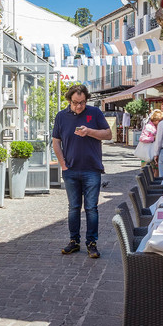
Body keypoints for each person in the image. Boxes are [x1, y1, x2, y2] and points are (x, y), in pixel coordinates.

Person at [53, 83, 112, 258]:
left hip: (92, 169)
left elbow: (108, 134)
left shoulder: (94, 113)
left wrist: (90, 132)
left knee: (92, 208)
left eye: (82, 102)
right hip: (70, 170)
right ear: (69, 100)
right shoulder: (61, 116)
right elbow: (56, 142)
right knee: (73, 208)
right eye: (75, 102)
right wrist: (63, 164)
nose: (79, 106)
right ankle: (74, 241)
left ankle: (92, 244)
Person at [135, 107, 163, 172]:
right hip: (147, 152)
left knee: (156, 170)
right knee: (147, 170)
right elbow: (142, 138)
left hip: (154, 152)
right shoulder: (148, 127)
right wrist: (153, 138)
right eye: (160, 120)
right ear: (155, 119)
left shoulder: (158, 126)